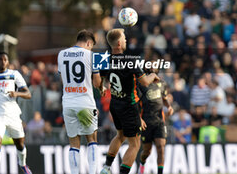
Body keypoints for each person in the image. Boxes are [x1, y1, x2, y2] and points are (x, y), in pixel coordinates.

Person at [100, 29, 160, 174]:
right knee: (134, 144)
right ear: (119, 43)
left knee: (120, 136)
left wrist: (101, 86)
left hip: (115, 104)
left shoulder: (105, 60)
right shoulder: (130, 61)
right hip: (129, 106)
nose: (126, 40)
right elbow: (145, 82)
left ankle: (107, 168)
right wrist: (152, 75)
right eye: (125, 38)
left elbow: (98, 78)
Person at [57, 30, 101, 174]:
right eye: (91, 46)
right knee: (92, 140)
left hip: (68, 103)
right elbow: (96, 83)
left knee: (74, 144)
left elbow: (63, 79)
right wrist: (102, 87)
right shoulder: (92, 56)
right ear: (89, 43)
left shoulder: (61, 54)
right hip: (85, 103)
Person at [0, 52, 32, 174]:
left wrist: (17, 93)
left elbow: (28, 94)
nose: (4, 62)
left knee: (20, 145)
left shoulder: (14, 74)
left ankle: (23, 164)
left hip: (13, 115)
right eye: (1, 59)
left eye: (6, 60)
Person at [138, 71, 174, 174]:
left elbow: (165, 97)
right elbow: (136, 103)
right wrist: (139, 119)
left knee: (161, 147)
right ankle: (142, 164)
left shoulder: (162, 84)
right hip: (146, 122)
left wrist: (169, 106)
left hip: (159, 121)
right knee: (146, 151)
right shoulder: (142, 85)